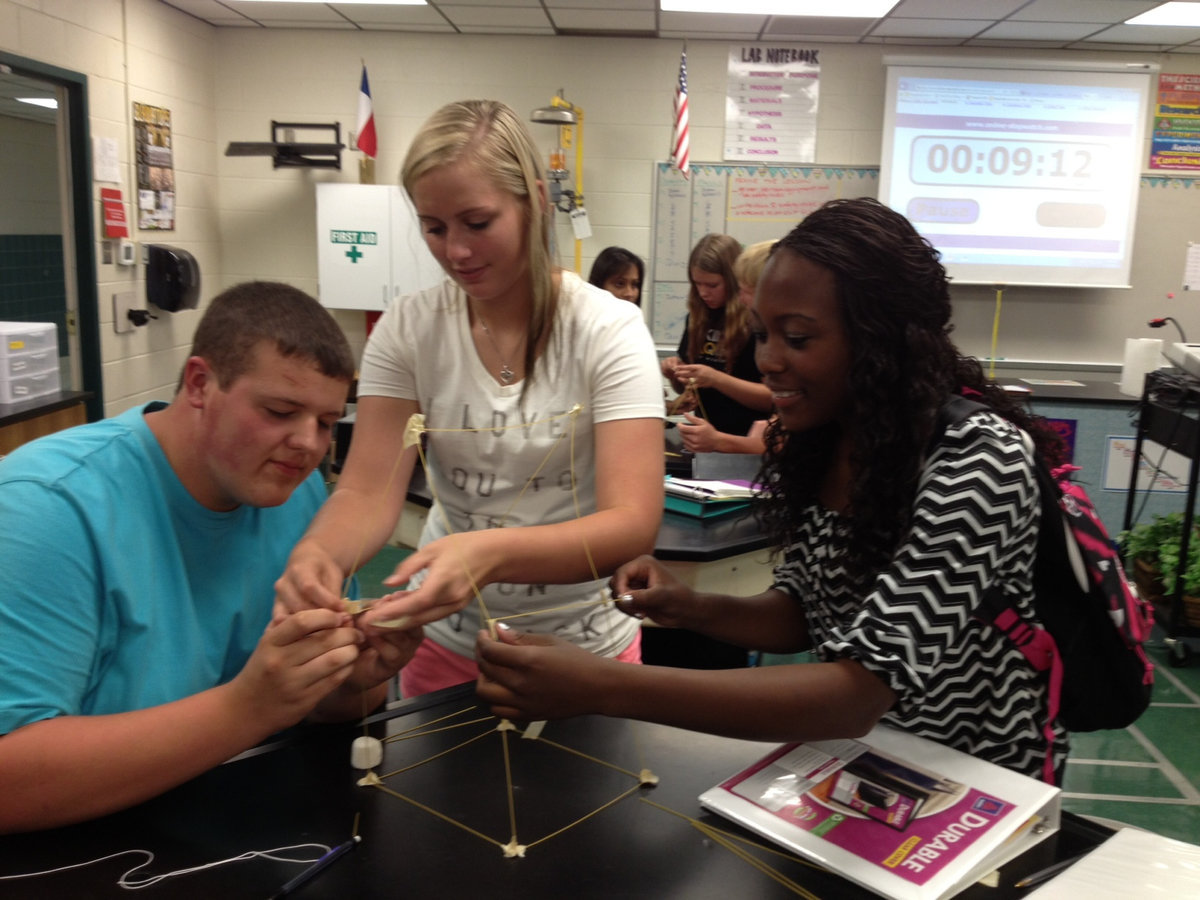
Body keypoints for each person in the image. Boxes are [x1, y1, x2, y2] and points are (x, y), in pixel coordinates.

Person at [476, 197, 1071, 782]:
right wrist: (691, 605)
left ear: (882, 340)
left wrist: (602, 685)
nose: (769, 361)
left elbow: (857, 692)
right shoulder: (827, 442)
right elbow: (802, 615)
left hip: (982, 784)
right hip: (868, 767)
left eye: (799, 338)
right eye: (763, 335)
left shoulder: (977, 459)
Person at [275, 100, 665, 699]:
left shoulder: (608, 329)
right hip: (445, 645)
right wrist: (320, 554)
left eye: (477, 223)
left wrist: (489, 553)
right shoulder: (409, 329)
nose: (454, 250)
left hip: (583, 652)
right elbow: (365, 490)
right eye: (433, 227)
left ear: (534, 202)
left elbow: (630, 524)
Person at [0, 281, 422, 833]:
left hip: (244, 829)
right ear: (200, 383)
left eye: (326, 423)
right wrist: (249, 707)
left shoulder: (298, 498)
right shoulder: (46, 509)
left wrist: (348, 678)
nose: (308, 445)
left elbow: (327, 710)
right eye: (280, 410)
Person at [662, 233, 772, 439]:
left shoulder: (758, 323)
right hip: (705, 440)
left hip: (750, 440)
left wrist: (716, 379)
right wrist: (676, 375)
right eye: (697, 284)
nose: (703, 293)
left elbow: (771, 398)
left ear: (732, 282)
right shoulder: (696, 318)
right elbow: (687, 388)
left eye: (712, 285)